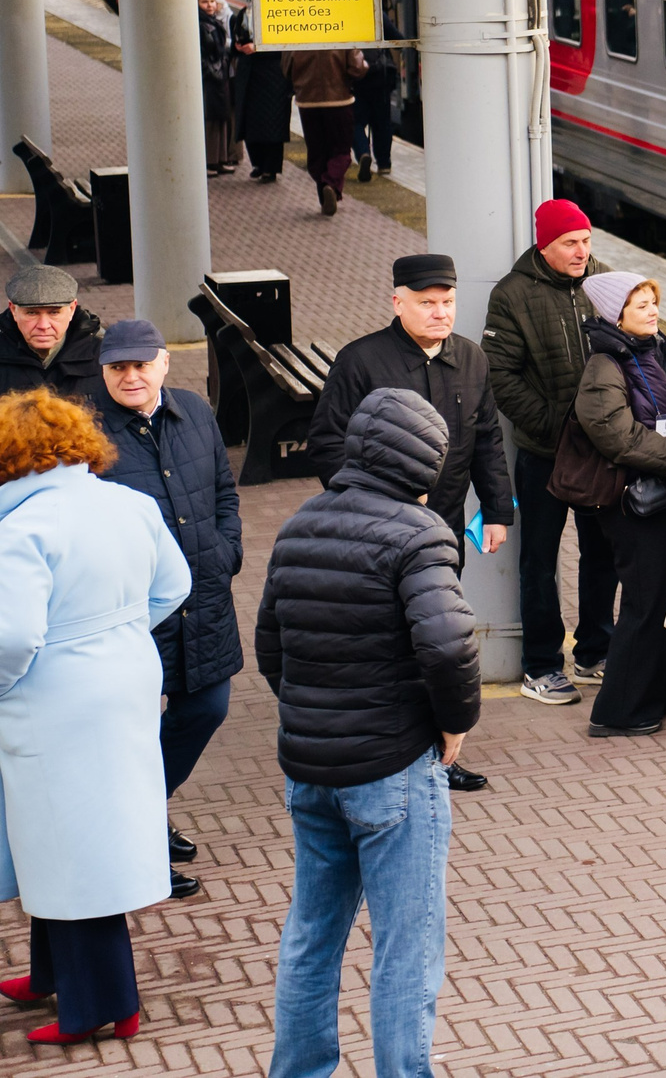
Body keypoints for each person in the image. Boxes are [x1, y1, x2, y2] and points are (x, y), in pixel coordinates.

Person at [256, 387, 482, 1078]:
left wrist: (315, 710)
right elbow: (447, 645)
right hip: (392, 770)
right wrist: (453, 722)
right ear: (425, 464)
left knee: (311, 938)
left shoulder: (300, 523)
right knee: (405, 949)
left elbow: (271, 646)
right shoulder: (420, 534)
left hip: (311, 770)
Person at [0, 389, 190, 1046]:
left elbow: (11, 638)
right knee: (70, 840)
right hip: (128, 681)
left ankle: (102, 1005)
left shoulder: (21, 528)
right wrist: (116, 632)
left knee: (66, 846)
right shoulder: (129, 503)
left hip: (54, 701)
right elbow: (175, 584)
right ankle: (53, 973)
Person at [306, 253, 510, 792]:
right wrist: (362, 502)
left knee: (435, 640)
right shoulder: (360, 362)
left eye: (447, 303)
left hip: (441, 533)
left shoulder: (471, 359)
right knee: (386, 640)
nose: (440, 313)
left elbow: (486, 436)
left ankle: (439, 753)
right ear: (398, 303)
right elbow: (326, 443)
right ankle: (381, 748)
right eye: (427, 303)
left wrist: (497, 509)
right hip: (374, 536)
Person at [95, 319, 242, 902]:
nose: (130, 377)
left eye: (140, 365)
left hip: (204, 597)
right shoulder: (87, 432)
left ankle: (147, 807)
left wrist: (226, 550)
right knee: (128, 731)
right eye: (117, 368)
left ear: (163, 363)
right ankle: (136, 844)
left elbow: (225, 492)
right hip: (133, 609)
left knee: (206, 705)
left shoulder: (194, 411)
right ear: (104, 371)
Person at [483, 198, 604, 705]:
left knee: (604, 554)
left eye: (586, 241)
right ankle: (540, 666)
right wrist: (555, 426)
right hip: (544, 453)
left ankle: (596, 652)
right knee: (539, 560)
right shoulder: (512, 295)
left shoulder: (603, 283)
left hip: (599, 450)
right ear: (545, 245)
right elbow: (500, 376)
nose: (582, 252)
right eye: (570, 244)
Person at [572, 270, 666, 739]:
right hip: (630, 500)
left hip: (661, 492)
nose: (653, 311)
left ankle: (659, 694)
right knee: (645, 600)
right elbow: (619, 439)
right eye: (641, 304)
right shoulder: (604, 367)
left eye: (653, 302)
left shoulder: (654, 352)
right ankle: (618, 711)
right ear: (616, 314)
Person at [0, 265, 108, 416]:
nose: (43, 326)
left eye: (54, 313)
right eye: (31, 313)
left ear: (72, 309)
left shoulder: (104, 357)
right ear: (13, 311)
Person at [282, 46, 366, 216]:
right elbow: (357, 67)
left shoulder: (295, 31)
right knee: (341, 151)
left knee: (317, 152)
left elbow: (286, 68)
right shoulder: (339, 29)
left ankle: (325, 197)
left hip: (307, 102)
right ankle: (331, 184)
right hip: (338, 101)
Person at [231, 3, 291, 183]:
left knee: (272, 123)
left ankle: (270, 168)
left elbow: (284, 45)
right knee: (250, 121)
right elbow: (236, 41)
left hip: (273, 77)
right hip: (248, 75)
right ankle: (257, 163)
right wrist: (238, 47)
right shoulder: (244, 13)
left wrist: (258, 48)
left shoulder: (278, 14)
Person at [199, 0, 238, 175]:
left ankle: (220, 158)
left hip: (219, 75)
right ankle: (210, 161)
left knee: (221, 118)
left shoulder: (213, 22)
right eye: (205, 2)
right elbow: (203, 53)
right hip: (211, 78)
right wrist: (213, 72)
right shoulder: (201, 25)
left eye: (212, 1)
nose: (209, 5)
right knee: (212, 119)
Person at [351, 45, 400, 184]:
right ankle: (384, 164)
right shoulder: (379, 21)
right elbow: (398, 38)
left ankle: (363, 153)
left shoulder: (345, 23)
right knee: (382, 122)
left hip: (358, 79)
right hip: (380, 77)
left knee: (355, 122)